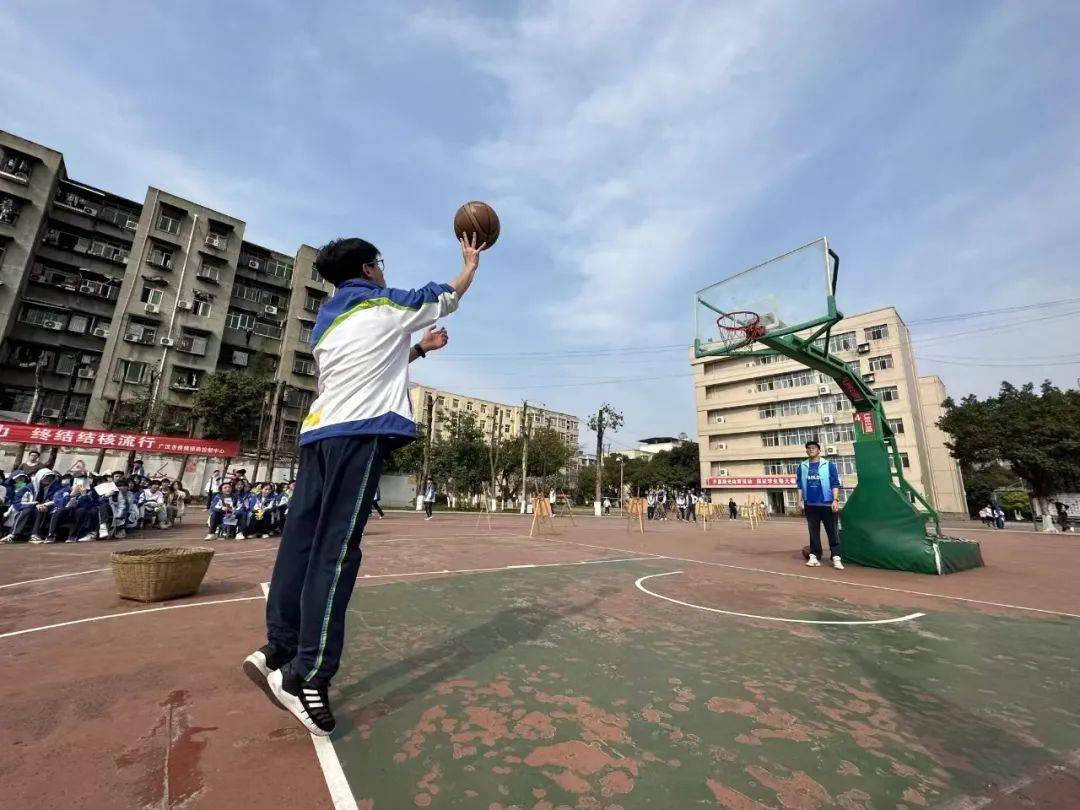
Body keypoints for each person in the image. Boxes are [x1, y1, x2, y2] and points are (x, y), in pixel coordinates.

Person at [247, 231, 479, 737]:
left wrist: (418, 350)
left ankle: (278, 646)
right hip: (357, 436)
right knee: (337, 553)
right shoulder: (382, 302)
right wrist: (470, 264)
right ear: (371, 268)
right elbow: (443, 297)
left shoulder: (330, 319)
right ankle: (306, 675)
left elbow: (372, 361)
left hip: (317, 436)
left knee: (301, 547)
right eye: (381, 263)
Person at [796, 441, 843, 569]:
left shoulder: (828, 465)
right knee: (813, 532)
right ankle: (814, 556)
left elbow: (835, 483)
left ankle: (836, 557)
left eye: (813, 448)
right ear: (806, 451)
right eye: (808, 448)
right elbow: (799, 486)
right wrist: (799, 501)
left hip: (827, 504)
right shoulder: (802, 466)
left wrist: (835, 500)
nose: (811, 450)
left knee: (832, 531)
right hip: (810, 505)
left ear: (819, 450)